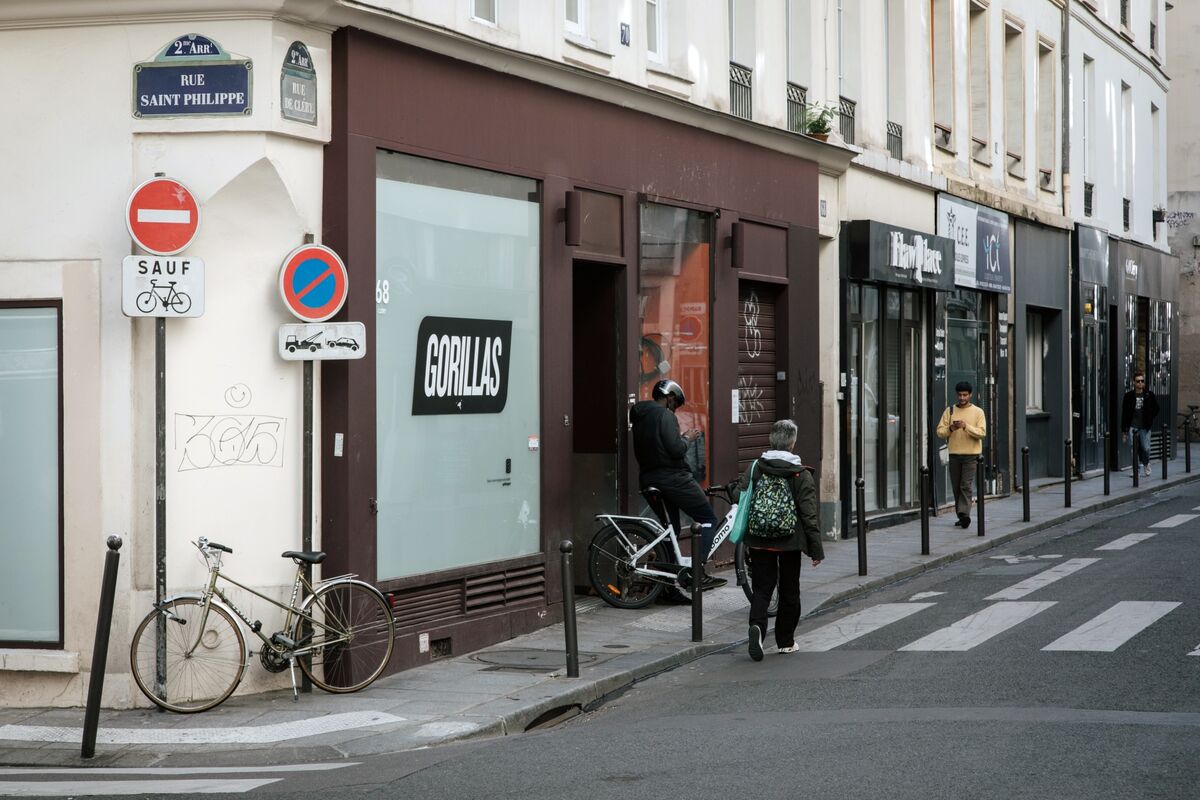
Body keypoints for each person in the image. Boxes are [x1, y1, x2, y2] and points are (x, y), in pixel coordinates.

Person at [738, 419, 823, 661]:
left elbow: (741, 495)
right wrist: (816, 549)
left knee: (762, 588)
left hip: (759, 538)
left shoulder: (756, 467)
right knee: (789, 589)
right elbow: (809, 514)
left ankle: (757, 628)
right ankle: (785, 641)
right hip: (790, 542)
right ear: (792, 444)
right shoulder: (800, 474)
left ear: (771, 440)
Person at [629, 379, 720, 580]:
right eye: (676, 403)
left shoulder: (640, 416)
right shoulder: (665, 415)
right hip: (673, 478)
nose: (675, 408)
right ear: (669, 397)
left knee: (672, 530)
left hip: (649, 478)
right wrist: (688, 437)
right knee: (707, 519)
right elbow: (676, 449)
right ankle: (697, 571)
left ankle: (668, 579)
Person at [936, 381, 987, 529]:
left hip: (971, 455)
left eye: (965, 395)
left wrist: (966, 426)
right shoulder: (949, 411)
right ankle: (961, 515)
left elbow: (982, 433)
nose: (962, 398)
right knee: (957, 487)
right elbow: (940, 432)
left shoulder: (978, 412)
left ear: (970, 395)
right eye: (960, 395)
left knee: (966, 485)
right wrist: (951, 427)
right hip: (954, 454)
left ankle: (965, 514)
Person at [1120, 370, 1160, 477]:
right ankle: (1136, 471)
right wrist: (1124, 431)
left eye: (1142, 381)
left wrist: (1150, 418)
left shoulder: (1149, 395)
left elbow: (1157, 408)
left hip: (1145, 427)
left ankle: (1146, 464)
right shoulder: (1128, 396)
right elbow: (1124, 414)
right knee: (1134, 450)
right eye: (1138, 381)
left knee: (1146, 448)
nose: (1140, 383)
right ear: (1134, 382)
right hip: (1132, 427)